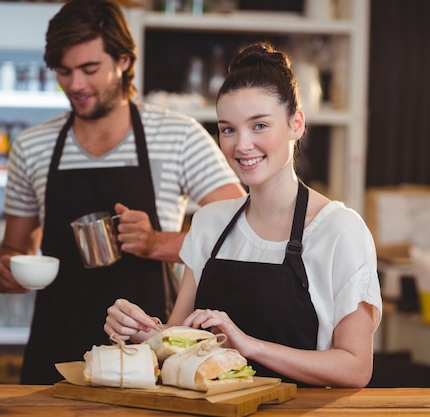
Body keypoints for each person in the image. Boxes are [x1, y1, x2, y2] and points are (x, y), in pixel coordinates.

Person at [0, 0, 245, 385]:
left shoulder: (178, 136)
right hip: (56, 350)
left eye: (89, 69)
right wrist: (9, 271)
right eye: (64, 71)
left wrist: (157, 242)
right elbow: (13, 249)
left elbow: (238, 235)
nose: (75, 85)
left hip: (150, 351)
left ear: (124, 60)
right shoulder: (33, 146)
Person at [105, 41, 383, 388]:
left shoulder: (340, 230)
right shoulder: (210, 223)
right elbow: (175, 345)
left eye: (260, 126)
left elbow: (356, 368)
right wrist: (141, 331)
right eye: (228, 129)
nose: (242, 145)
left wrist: (251, 347)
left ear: (296, 124)